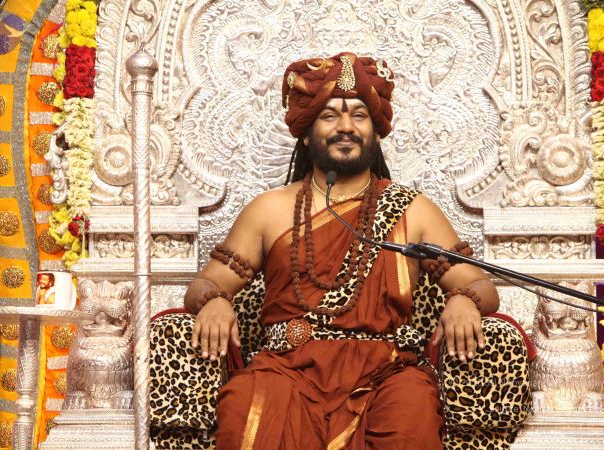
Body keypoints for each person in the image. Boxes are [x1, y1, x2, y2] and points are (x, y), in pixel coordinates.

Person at [184, 52, 500, 450]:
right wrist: (214, 300)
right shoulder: (270, 209)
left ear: (376, 132)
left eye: (359, 115)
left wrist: (465, 299)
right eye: (330, 115)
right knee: (244, 407)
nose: (346, 126)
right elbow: (205, 283)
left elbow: (481, 285)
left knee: (411, 414)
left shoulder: (411, 209)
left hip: (386, 374)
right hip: (286, 370)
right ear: (306, 132)